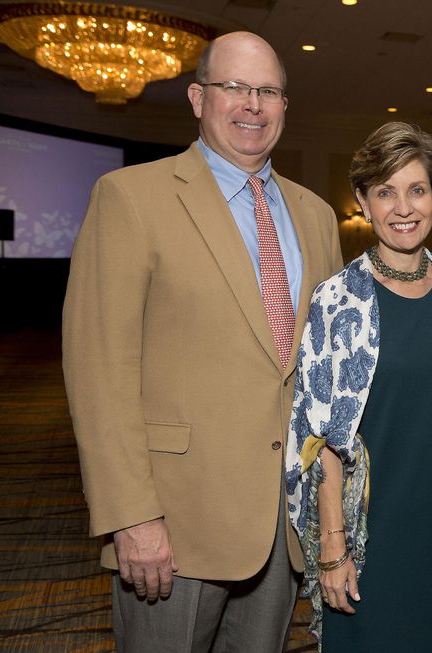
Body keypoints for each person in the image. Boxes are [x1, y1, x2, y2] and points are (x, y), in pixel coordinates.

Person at [62, 32, 343, 651]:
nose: (252, 104)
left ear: (285, 106)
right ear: (197, 98)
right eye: (234, 87)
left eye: (268, 91)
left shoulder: (317, 216)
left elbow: (321, 375)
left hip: (281, 527)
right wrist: (132, 515)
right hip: (173, 525)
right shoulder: (131, 198)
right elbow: (98, 371)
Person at [285, 122, 432, 651]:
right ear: (363, 202)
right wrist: (333, 547)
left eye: (417, 190)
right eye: (385, 192)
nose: (403, 208)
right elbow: (319, 438)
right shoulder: (336, 299)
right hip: (371, 537)